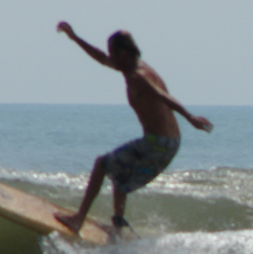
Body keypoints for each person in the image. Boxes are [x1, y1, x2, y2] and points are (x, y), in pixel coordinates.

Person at [53, 21, 213, 233]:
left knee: (102, 164)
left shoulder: (138, 76)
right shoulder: (137, 67)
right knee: (120, 176)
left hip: (157, 143)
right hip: (171, 143)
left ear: (123, 54)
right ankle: (118, 228)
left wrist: (189, 116)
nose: (110, 58)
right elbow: (101, 58)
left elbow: (162, 96)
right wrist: (75, 38)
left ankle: (78, 219)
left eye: (113, 53)